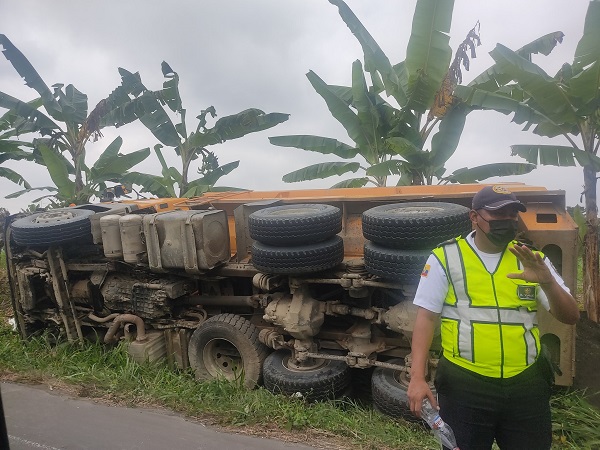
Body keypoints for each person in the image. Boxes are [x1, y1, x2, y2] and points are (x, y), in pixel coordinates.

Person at [406, 185, 580, 450]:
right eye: (499, 214)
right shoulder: (445, 257)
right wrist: (417, 378)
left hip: (526, 386)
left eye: (513, 214)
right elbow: (426, 318)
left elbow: (570, 316)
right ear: (475, 217)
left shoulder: (532, 259)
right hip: (464, 386)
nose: (507, 221)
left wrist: (548, 283)